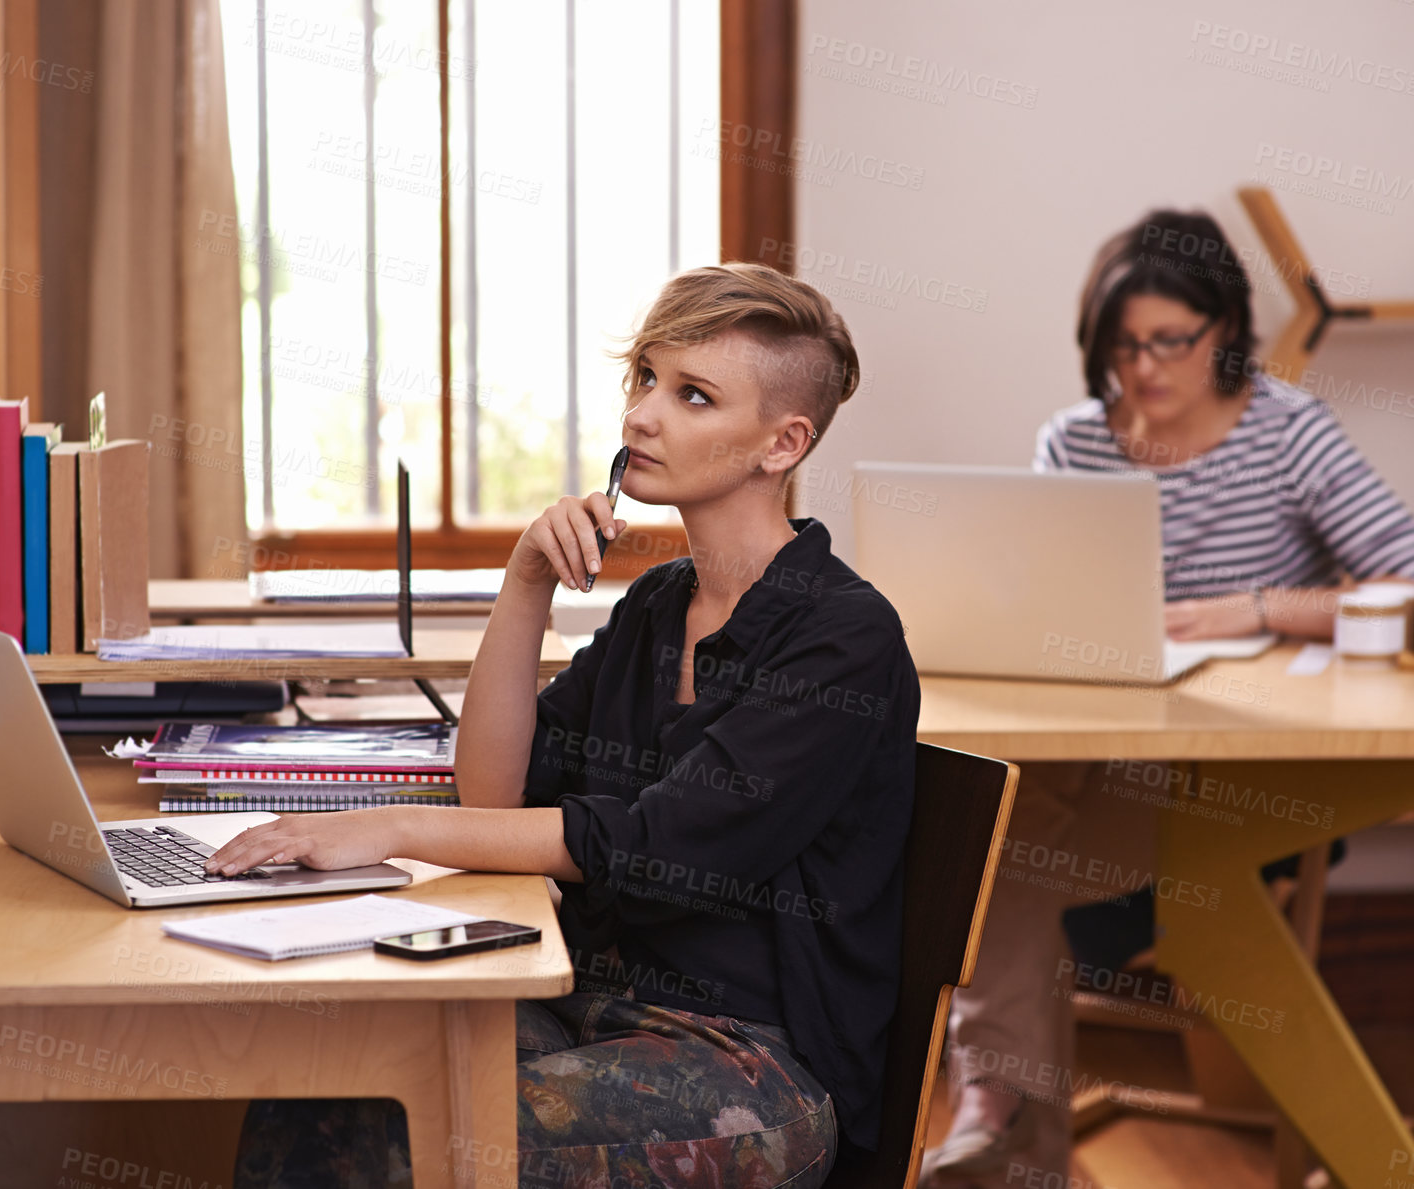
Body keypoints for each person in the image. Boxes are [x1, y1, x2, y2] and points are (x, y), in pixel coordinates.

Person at [210, 262, 922, 1189]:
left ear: (781, 444)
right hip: (586, 999)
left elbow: (657, 841)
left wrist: (386, 825)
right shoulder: (660, 605)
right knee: (317, 1093)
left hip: (750, 1061)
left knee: (375, 1146)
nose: (641, 416)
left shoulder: (843, 637)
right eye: (644, 379)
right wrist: (524, 584)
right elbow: (495, 787)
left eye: (692, 395)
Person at [920, 209, 1414, 1187]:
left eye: (1171, 340)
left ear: (1226, 333)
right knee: (994, 812)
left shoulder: (1287, 432)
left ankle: (994, 1110)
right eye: (1123, 344)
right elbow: (1041, 603)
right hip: (1089, 751)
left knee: (994, 851)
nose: (1144, 367)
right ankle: (1005, 1123)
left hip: (1237, 773)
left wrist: (1248, 608)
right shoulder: (1075, 441)